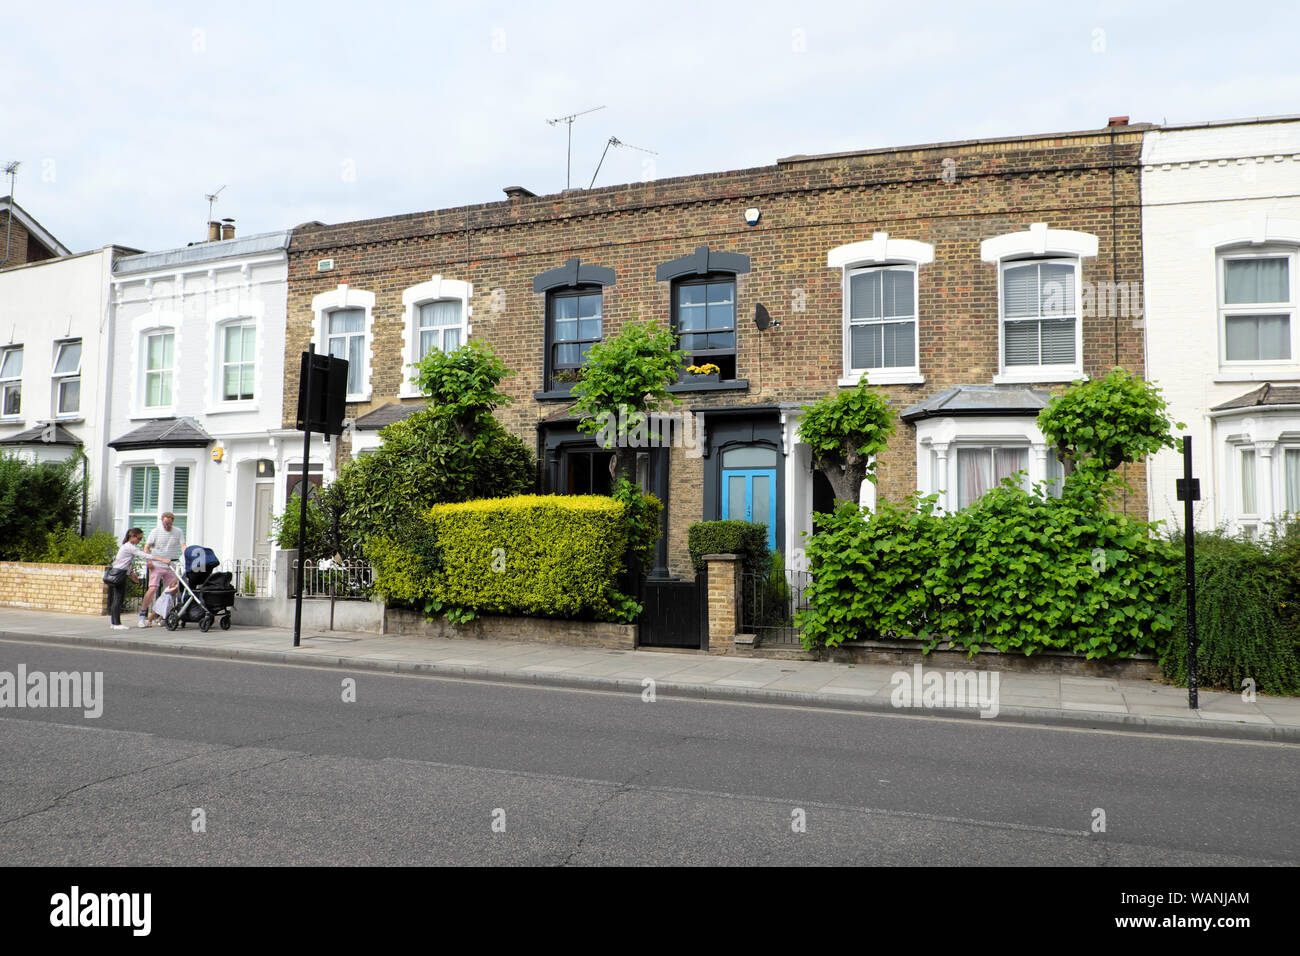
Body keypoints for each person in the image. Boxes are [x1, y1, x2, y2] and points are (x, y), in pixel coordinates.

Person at [108, 528, 167, 629]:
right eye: (139, 538)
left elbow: (123, 562)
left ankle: (114, 623)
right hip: (120, 574)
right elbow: (143, 555)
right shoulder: (129, 547)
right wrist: (161, 559)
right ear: (132, 536)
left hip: (120, 572)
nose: (140, 540)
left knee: (117, 598)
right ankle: (116, 623)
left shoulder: (126, 546)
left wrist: (131, 573)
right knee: (118, 598)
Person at [140, 511, 185, 628]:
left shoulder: (178, 531)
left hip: (171, 564)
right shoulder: (155, 531)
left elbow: (183, 546)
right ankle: (142, 615)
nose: (167, 526)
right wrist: (148, 561)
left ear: (172, 521)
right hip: (157, 564)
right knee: (153, 588)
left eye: (169, 524)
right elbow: (146, 547)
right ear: (162, 521)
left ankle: (162, 617)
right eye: (165, 523)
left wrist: (187, 555)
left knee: (172, 591)